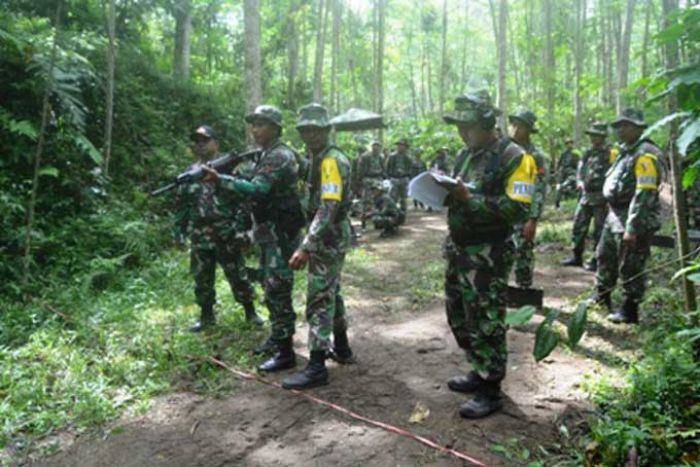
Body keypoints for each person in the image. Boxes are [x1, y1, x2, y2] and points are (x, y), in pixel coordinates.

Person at [440, 91, 537, 418]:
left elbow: (517, 209)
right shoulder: (465, 154)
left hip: (489, 252)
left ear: (486, 123)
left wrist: (470, 200)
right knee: (459, 312)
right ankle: (478, 367)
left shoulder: (515, 157)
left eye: (467, 127)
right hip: (459, 246)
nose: (462, 134)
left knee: (486, 317)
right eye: (459, 127)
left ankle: (491, 387)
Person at [201, 105, 304, 371]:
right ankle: (277, 337)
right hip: (269, 232)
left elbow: (258, 189)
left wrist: (220, 180)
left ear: (275, 128)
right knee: (271, 287)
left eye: (261, 124)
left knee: (278, 287)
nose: (255, 129)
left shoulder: (278, 155)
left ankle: (285, 351)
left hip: (280, 233)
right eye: (253, 124)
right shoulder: (265, 155)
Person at [284, 103, 354, 390]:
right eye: (306, 130)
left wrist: (306, 245)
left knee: (319, 298)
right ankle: (343, 346)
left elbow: (328, 207)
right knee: (331, 291)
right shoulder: (317, 158)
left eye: (317, 130)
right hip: (330, 234)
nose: (311, 135)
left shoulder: (330, 162)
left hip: (328, 236)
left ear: (327, 130)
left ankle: (316, 365)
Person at [174, 125, 262, 332]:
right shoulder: (189, 173)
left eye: (205, 140)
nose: (200, 145)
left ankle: (250, 312)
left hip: (226, 232)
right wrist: (179, 231)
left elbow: (245, 200)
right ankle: (206, 316)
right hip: (199, 234)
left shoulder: (230, 170)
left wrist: (240, 228)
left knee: (238, 274)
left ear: (216, 143)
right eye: (197, 141)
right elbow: (182, 206)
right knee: (202, 277)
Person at [591, 108, 663, 324]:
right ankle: (602, 296)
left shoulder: (645, 154)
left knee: (631, 264)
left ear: (637, 128)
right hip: (615, 215)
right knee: (605, 256)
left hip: (634, 217)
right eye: (619, 126)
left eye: (626, 126)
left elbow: (645, 193)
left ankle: (629, 309)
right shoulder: (626, 151)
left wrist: (632, 226)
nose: (621, 130)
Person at [561, 123, 618, 270]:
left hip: (601, 198)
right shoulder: (587, 152)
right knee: (578, 227)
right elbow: (581, 169)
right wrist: (579, 181)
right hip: (585, 196)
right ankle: (576, 256)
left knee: (599, 231)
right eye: (592, 135)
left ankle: (595, 259)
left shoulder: (611, 153)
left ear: (603, 137)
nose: (593, 138)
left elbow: (615, 174)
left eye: (596, 135)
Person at [508, 108, 547, 289]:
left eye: (521, 126)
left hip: (523, 213)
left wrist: (533, 219)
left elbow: (539, 189)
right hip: (501, 210)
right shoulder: (504, 151)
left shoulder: (535, 156)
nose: (515, 129)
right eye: (513, 124)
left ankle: (524, 290)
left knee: (523, 252)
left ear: (529, 130)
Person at [357, 140, 386, 228]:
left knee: (379, 200)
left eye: (378, 146)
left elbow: (383, 168)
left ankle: (378, 222)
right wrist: (360, 180)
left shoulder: (381, 157)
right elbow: (360, 169)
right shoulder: (365, 156)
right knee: (366, 201)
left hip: (378, 179)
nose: (376, 148)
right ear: (372, 146)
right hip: (368, 179)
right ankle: (363, 223)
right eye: (374, 146)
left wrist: (384, 177)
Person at [385, 138, 413, 218]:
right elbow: (387, 168)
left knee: (403, 198)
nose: (400, 147)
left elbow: (410, 169)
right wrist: (389, 177)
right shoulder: (392, 156)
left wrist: (406, 174)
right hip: (394, 179)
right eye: (399, 145)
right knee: (393, 198)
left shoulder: (408, 158)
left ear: (406, 147)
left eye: (402, 146)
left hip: (404, 179)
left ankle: (402, 214)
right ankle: (393, 214)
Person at [554, 138, 580, 208]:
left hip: (573, 171)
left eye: (570, 143)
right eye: (567, 143)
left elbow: (579, 164)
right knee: (559, 186)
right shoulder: (564, 154)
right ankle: (557, 202)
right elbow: (559, 163)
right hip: (564, 171)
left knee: (575, 184)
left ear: (572, 144)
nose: (569, 145)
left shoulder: (576, 153)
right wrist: (556, 171)